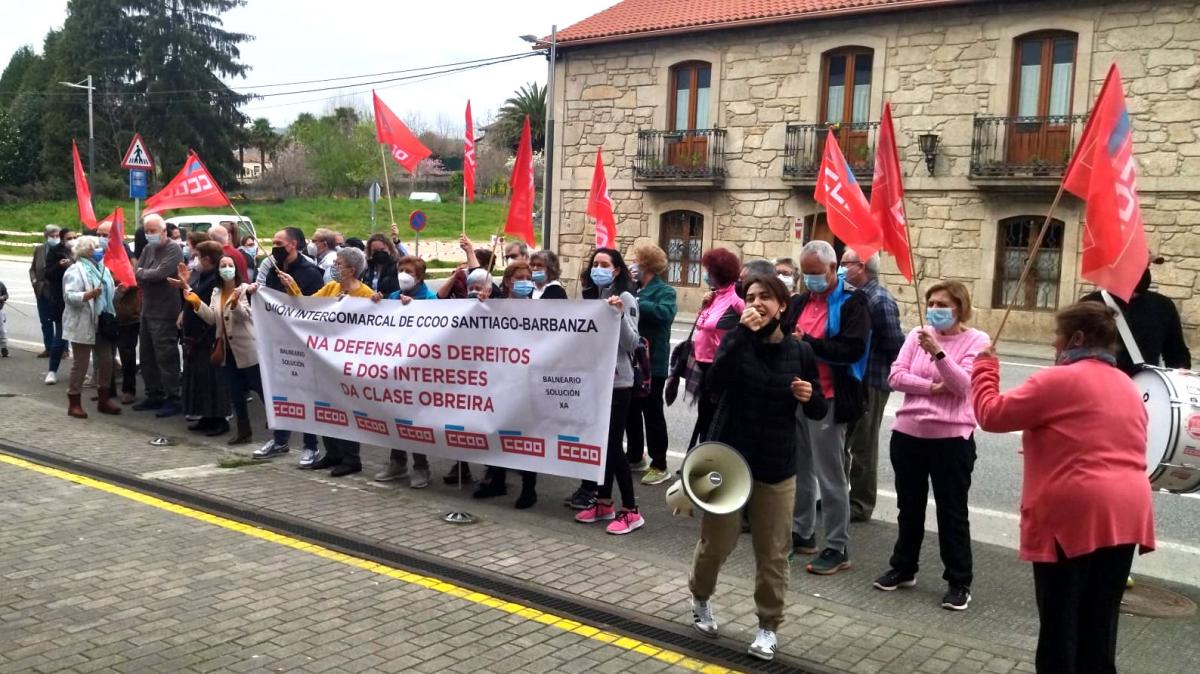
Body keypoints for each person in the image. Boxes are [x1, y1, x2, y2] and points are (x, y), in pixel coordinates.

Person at [971, 301, 1155, 674]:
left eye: (1057, 335)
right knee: (1100, 622)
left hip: (1074, 512)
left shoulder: (1056, 380)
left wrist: (985, 369)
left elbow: (991, 415)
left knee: (1060, 622)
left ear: (1077, 337)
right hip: (1127, 511)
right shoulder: (1126, 384)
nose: (1054, 345)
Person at [690, 274, 827, 661]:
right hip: (731, 464)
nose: (757, 303)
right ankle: (700, 599)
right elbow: (714, 384)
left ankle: (768, 626)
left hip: (777, 467)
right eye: (750, 297)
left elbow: (818, 409)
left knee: (773, 553)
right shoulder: (738, 341)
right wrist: (740, 338)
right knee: (717, 544)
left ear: (782, 305)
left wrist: (810, 396)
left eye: (766, 297)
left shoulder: (800, 353)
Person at [873, 281, 989, 611]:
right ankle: (903, 566)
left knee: (952, 512)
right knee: (909, 506)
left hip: (951, 439)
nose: (935, 310)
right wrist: (931, 387)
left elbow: (964, 386)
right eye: (932, 303)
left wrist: (938, 354)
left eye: (943, 304)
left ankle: (958, 581)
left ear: (960, 308)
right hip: (908, 434)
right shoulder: (917, 334)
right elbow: (896, 377)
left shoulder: (977, 340)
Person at [782, 240, 869, 575]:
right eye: (807, 274)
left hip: (831, 398)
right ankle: (803, 532)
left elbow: (851, 349)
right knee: (800, 469)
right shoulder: (801, 301)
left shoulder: (852, 303)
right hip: (800, 395)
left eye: (817, 273)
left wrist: (809, 344)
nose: (811, 279)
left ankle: (837, 545)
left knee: (830, 475)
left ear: (835, 269)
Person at [282, 247, 374, 477]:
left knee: (346, 409)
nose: (335, 268)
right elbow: (308, 307)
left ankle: (351, 458)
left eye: (339, 264)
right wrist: (291, 286)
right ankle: (332, 452)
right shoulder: (331, 288)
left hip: (347, 362)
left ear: (352, 270)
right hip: (324, 357)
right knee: (325, 407)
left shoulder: (365, 294)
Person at [572, 248, 644, 535]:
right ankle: (604, 502)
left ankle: (631, 510)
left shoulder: (624, 297)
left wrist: (619, 314)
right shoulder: (595, 298)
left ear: (616, 270)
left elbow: (632, 342)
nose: (598, 268)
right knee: (601, 445)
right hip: (597, 381)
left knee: (613, 446)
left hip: (618, 383)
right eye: (595, 264)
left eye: (604, 264)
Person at [247, 227, 325, 463]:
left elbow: (315, 308)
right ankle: (280, 440)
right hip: (276, 339)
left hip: (301, 344)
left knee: (305, 394)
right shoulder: (272, 268)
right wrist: (256, 292)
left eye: (278, 242)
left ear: (292, 245)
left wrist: (293, 289)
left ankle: (311, 445)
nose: (274, 246)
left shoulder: (311, 272)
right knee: (278, 391)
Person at [471, 262, 542, 507]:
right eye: (518, 277)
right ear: (508, 281)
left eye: (528, 277)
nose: (524, 281)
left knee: (526, 435)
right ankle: (496, 479)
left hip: (525, 380)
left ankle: (529, 489)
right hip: (498, 378)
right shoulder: (495, 304)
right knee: (496, 428)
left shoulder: (542, 309)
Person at [840, 250, 905, 522]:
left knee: (863, 446)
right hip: (851, 381)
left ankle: (860, 504)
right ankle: (839, 497)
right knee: (840, 442)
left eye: (845, 264)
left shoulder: (880, 300)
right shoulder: (852, 297)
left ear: (861, 266)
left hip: (872, 383)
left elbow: (896, 346)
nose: (841, 269)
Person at [372, 256, 435, 488]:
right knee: (395, 416)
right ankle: (397, 462)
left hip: (418, 371)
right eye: (401, 269)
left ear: (419, 275)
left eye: (408, 270)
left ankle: (422, 466)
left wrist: (416, 309)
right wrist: (376, 304)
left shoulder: (429, 299)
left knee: (415, 421)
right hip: (395, 368)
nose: (403, 274)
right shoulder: (393, 297)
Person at [186, 255, 262, 445]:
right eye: (223, 265)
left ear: (236, 269)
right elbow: (212, 318)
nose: (227, 268)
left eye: (230, 265)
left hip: (247, 349)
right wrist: (196, 302)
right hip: (227, 352)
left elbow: (245, 317)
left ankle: (280, 430)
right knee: (236, 394)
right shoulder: (216, 292)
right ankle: (244, 431)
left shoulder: (245, 290)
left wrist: (235, 303)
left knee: (260, 390)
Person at [1080, 257, 1191, 376]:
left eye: (1146, 266)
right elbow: (1072, 350)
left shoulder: (1163, 306)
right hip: (1099, 383)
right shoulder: (1090, 304)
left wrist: (1180, 374)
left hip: (1144, 389)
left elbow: (1176, 353)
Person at [624, 243, 677, 485]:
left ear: (645, 265)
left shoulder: (664, 291)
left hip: (652, 363)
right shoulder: (633, 289)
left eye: (635, 260)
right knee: (631, 410)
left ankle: (659, 463)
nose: (632, 264)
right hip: (632, 361)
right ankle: (635, 456)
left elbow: (664, 314)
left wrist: (636, 302)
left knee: (652, 412)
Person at [168, 241, 232, 437]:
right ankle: (206, 415)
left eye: (197, 256)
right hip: (195, 337)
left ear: (206, 258)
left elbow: (205, 304)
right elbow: (193, 297)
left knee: (213, 380)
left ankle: (219, 418)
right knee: (201, 380)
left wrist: (187, 287)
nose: (194, 260)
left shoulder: (215, 280)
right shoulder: (202, 276)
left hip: (208, 337)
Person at [685, 248, 744, 449]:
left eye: (708, 270)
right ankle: (702, 456)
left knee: (715, 420)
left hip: (717, 367)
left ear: (719, 272)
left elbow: (748, 326)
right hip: (701, 364)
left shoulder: (736, 299)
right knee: (704, 418)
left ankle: (713, 459)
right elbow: (703, 325)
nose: (706, 274)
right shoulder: (713, 296)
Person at [61, 236, 120, 418]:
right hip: (83, 322)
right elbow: (70, 296)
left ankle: (104, 399)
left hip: (102, 321)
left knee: (107, 361)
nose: (99, 249)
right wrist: (89, 295)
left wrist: (119, 290)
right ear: (86, 251)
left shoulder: (103, 268)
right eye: (94, 247)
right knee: (81, 363)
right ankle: (74, 402)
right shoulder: (75, 270)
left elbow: (107, 294)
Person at [133, 216, 184, 415]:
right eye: (147, 231)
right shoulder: (148, 249)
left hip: (165, 311)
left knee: (166, 356)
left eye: (153, 231)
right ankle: (154, 393)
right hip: (147, 310)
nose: (150, 235)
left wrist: (143, 273)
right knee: (146, 356)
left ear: (164, 231)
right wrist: (145, 273)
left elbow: (161, 273)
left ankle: (173, 397)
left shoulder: (173, 249)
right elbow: (139, 271)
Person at [95, 218, 140, 405]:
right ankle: (107, 389)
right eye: (98, 234)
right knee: (106, 354)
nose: (101, 238)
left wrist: (112, 284)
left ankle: (129, 390)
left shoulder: (127, 255)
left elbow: (131, 280)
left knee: (126, 353)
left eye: (105, 235)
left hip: (126, 313)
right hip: (106, 314)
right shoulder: (98, 254)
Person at [42, 227, 77, 385]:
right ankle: (52, 371)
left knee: (80, 339)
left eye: (75, 237)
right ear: (63, 240)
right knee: (60, 337)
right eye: (69, 238)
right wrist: (60, 266)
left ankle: (79, 371)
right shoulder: (55, 252)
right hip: (61, 300)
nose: (72, 240)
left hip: (79, 300)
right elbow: (48, 274)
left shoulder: (80, 250)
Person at [29, 224, 65, 359]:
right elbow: (32, 269)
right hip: (41, 290)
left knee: (60, 322)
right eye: (52, 236)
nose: (55, 238)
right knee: (45, 321)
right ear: (46, 237)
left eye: (57, 236)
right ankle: (48, 347)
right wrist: (34, 281)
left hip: (56, 291)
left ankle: (63, 349)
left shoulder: (63, 250)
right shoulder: (39, 249)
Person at [0, 280, 7, 357]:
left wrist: (3, 297)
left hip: (0, 310)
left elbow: (6, 295)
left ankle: (4, 348)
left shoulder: (1, 284)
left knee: (2, 330)